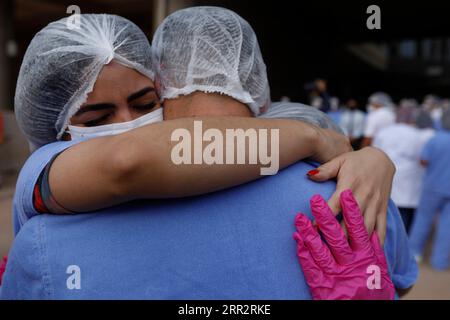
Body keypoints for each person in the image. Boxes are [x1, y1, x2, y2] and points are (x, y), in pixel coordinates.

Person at [1, 8, 417, 298]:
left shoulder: (44, 243)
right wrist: (320, 141)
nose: (126, 127)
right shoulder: (352, 196)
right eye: (96, 117)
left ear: (162, 85)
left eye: (145, 104)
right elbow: (128, 161)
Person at [373, 109, 435, 232]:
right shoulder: (417, 135)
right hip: (408, 183)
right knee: (403, 220)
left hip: (385, 177)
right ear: (412, 119)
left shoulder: (384, 132)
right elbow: (422, 159)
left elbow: (374, 152)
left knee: (382, 215)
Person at [409, 109, 450, 270]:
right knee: (447, 224)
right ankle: (439, 261)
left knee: (423, 219)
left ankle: (413, 254)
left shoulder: (435, 139)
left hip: (432, 186)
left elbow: (423, 160)